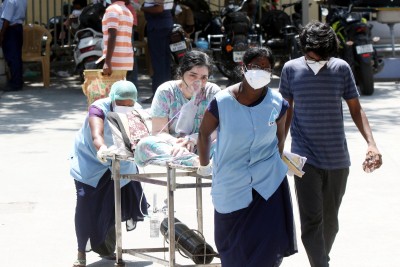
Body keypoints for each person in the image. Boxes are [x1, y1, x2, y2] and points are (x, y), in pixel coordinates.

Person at [279, 21, 383, 267]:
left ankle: (320, 259)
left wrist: (372, 144)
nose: (320, 57)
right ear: (304, 47)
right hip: (304, 157)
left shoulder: (341, 68)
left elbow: (356, 109)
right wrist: (278, 146)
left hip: (337, 158)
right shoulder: (290, 69)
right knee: (311, 221)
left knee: (330, 221)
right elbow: (286, 111)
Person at [197, 46, 298, 267]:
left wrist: (275, 165)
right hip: (231, 183)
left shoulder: (277, 103)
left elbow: (280, 139)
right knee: (233, 247)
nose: (260, 71)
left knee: (267, 246)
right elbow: (204, 133)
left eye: (266, 68)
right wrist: (204, 165)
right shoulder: (222, 101)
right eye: (255, 66)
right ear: (243, 68)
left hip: (267, 185)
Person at [70, 80, 148, 267]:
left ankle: (110, 248)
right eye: (121, 103)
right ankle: (81, 251)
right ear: (113, 99)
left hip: (121, 161)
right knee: (86, 205)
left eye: (129, 104)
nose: (125, 107)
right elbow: (97, 135)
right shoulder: (98, 108)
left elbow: (141, 136)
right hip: (91, 160)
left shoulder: (136, 110)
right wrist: (103, 148)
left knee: (117, 205)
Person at [133, 50, 220, 166]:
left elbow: (218, 128)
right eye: (192, 75)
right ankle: (194, 162)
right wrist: (179, 143)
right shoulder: (166, 91)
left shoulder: (212, 92)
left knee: (225, 143)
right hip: (173, 147)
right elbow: (159, 131)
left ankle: (202, 161)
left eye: (204, 77)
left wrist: (194, 139)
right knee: (145, 144)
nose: (198, 81)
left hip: (203, 144)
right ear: (181, 73)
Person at [141, 0, 174, 103]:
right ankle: (165, 94)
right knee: (163, 63)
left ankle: (158, 94)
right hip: (162, 26)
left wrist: (143, 8)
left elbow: (159, 9)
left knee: (159, 63)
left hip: (158, 27)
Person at [0, 0, 27, 91]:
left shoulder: (9, 1)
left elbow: (7, 19)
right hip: (18, 28)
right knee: (16, 57)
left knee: (12, 58)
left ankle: (15, 84)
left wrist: (1, 34)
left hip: (10, 30)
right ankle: (17, 81)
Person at [101, 0, 134, 76]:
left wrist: (107, 61)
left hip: (114, 61)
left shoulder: (112, 9)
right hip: (126, 61)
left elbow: (112, 34)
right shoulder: (128, 12)